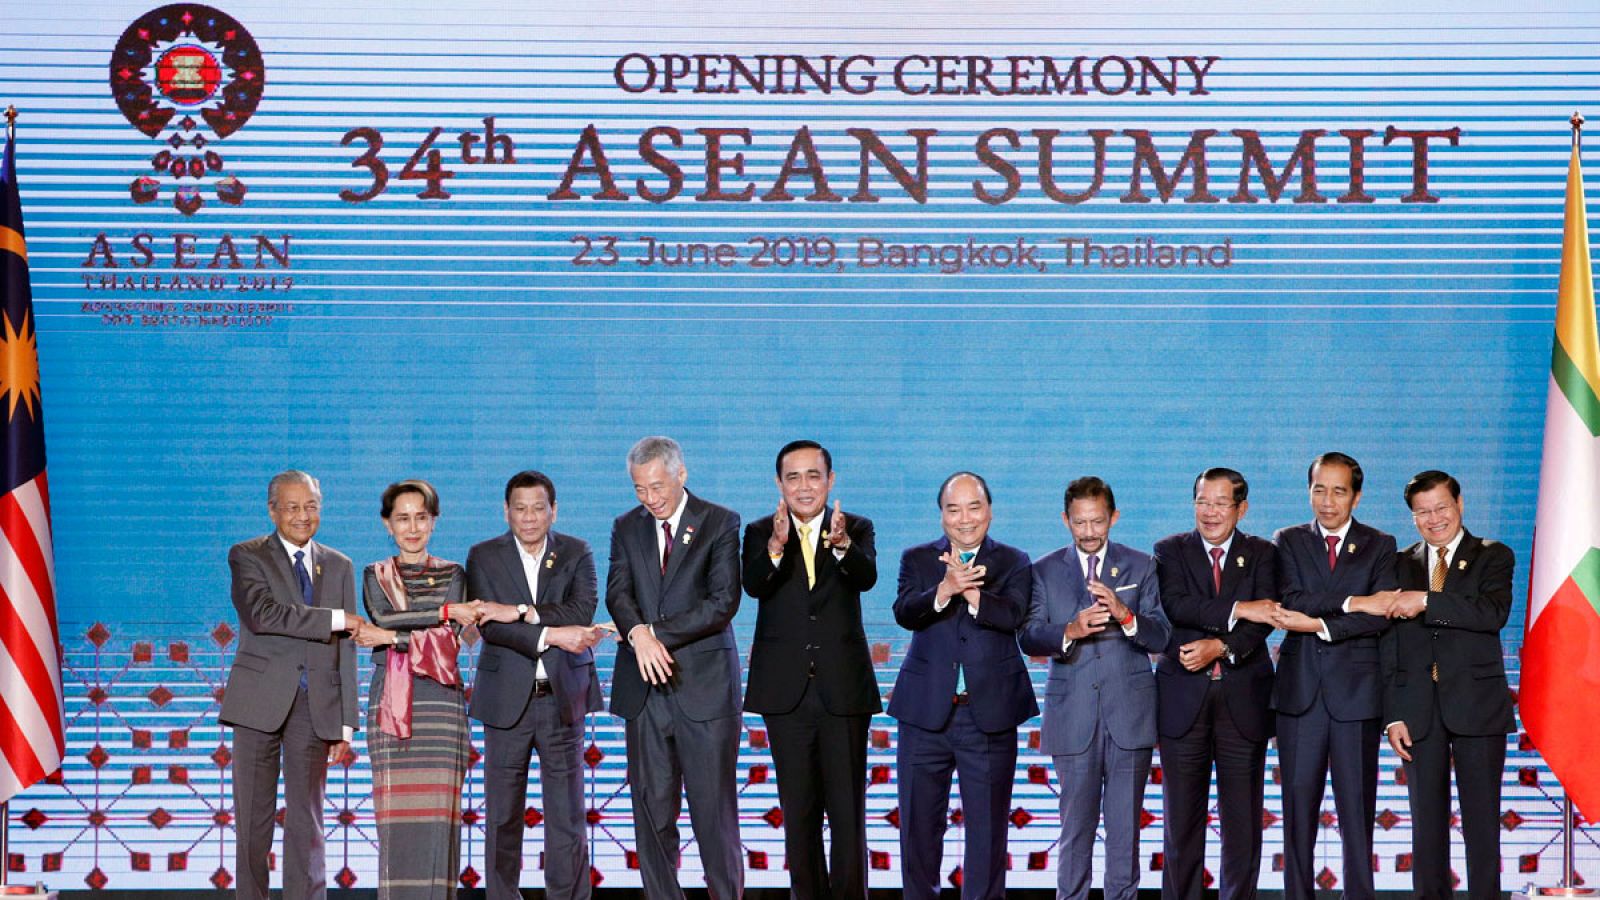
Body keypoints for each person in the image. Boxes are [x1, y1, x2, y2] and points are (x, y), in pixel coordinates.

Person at [605, 436, 744, 900]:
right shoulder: (627, 527)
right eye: (640, 489)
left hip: (703, 690)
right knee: (652, 815)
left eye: (658, 487)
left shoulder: (719, 522)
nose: (650, 499)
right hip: (645, 693)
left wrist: (651, 634)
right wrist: (635, 633)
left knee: (713, 815)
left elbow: (722, 602)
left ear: (681, 475)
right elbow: (617, 594)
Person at [1020, 476, 1170, 900]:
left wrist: (1125, 615)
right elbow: (1029, 635)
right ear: (1065, 520)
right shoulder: (1044, 570)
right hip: (1073, 718)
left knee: (1125, 832)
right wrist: (1069, 629)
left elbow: (1160, 636)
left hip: (1130, 715)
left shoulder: (1142, 566)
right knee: (1075, 830)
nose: (1089, 532)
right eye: (1080, 522)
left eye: (1097, 521)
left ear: (1114, 518)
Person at [889, 472, 1036, 900]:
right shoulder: (918, 559)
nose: (964, 518)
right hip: (923, 716)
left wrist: (970, 594)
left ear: (989, 511)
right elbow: (905, 612)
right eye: (954, 509)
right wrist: (944, 589)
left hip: (987, 716)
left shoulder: (1014, 561)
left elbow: (1013, 616)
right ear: (941, 516)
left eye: (974, 507)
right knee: (918, 830)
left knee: (988, 834)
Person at [742, 440, 879, 900]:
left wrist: (841, 545)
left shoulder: (855, 527)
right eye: (793, 477)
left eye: (813, 475)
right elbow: (754, 584)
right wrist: (778, 547)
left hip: (843, 692)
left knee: (847, 815)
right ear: (779, 484)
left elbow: (866, 578)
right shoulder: (762, 531)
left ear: (831, 480)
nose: (804, 486)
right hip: (786, 694)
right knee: (797, 815)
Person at [220, 470, 362, 900]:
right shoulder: (247, 555)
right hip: (258, 703)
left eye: (311, 506)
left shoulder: (339, 565)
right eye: (293, 507)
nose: (303, 516)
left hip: (314, 707)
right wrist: (335, 619)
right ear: (273, 510)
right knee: (253, 821)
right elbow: (263, 614)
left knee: (309, 822)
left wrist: (346, 722)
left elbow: (347, 651)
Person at [466, 470, 606, 900]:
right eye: (520, 509)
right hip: (507, 702)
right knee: (503, 816)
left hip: (562, 699)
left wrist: (524, 612)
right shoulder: (484, 556)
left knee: (566, 816)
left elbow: (582, 609)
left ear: (554, 510)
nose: (529, 518)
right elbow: (490, 626)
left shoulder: (576, 552)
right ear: (505, 511)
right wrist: (549, 634)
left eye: (538, 508)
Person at [1270, 452, 1398, 900]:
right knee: (1297, 813)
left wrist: (1323, 622)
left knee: (1356, 813)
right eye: (1318, 489)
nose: (1327, 501)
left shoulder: (1382, 544)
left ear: (1356, 496)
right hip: (1299, 695)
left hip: (1356, 696)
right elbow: (1289, 599)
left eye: (1338, 491)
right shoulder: (1286, 540)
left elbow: (1381, 616)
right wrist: (1352, 602)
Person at [1382, 470, 1514, 900]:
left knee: (1481, 824)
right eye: (1422, 512)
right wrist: (1393, 714)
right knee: (1426, 826)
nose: (1434, 518)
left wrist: (1425, 600)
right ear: (1413, 518)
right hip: (1418, 710)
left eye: (1441, 507)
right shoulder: (1400, 563)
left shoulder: (1492, 555)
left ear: (1460, 504)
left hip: (1477, 705)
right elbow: (1390, 643)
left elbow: (1491, 612)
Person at [1153, 468, 1279, 900]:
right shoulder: (1169, 551)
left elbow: (1264, 623)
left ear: (1241, 508)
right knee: (1181, 824)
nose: (1210, 512)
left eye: (1221, 503)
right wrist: (1241, 607)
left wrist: (1221, 649)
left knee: (1242, 825)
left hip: (1243, 702)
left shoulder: (1264, 553)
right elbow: (1175, 606)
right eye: (1202, 502)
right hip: (1182, 701)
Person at [352, 480, 477, 900]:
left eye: (420, 517)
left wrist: (390, 641)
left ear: (434, 521)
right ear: (387, 524)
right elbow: (384, 617)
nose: (412, 527)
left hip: (440, 706)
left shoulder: (454, 573)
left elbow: (447, 643)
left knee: (441, 820)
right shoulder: (375, 574)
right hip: (390, 700)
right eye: (402, 518)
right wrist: (439, 613)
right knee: (395, 820)